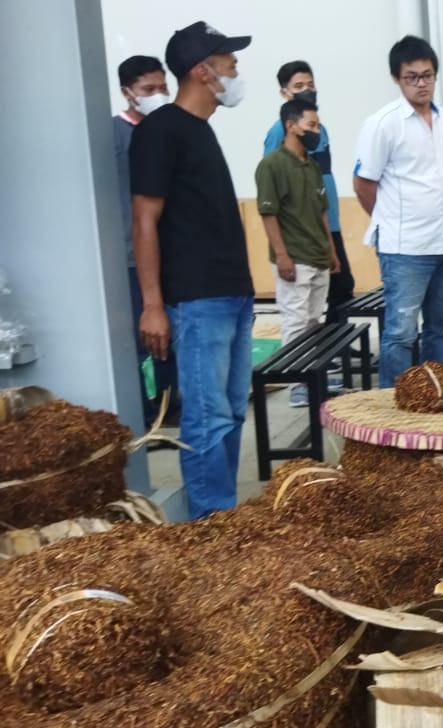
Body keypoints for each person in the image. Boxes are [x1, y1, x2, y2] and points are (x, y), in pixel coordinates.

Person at [129, 21, 253, 519]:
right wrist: (154, 304)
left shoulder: (198, 130)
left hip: (232, 294)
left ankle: (222, 517)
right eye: (230, 64)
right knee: (206, 419)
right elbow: (144, 219)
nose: (236, 71)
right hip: (196, 300)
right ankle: (211, 526)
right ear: (204, 71)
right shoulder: (161, 132)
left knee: (230, 413)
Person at [352, 36, 443, 387]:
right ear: (396, 79)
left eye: (427, 75)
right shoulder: (383, 123)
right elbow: (363, 184)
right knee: (400, 332)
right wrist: (390, 222)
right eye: (412, 77)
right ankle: (391, 406)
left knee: (442, 326)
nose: (421, 84)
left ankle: (432, 395)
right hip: (404, 248)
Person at [256, 99, 340, 408]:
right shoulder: (272, 165)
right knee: (294, 320)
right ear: (292, 126)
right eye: (312, 126)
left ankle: (313, 374)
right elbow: (269, 213)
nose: (316, 132)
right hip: (295, 258)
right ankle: (297, 384)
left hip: (318, 255)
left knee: (314, 320)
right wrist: (282, 255)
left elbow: (322, 211)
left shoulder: (311, 165)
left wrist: (331, 251)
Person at [113, 54, 178, 425]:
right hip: (131, 254)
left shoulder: (166, 130)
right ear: (127, 93)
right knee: (141, 338)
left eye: (162, 88)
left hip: (168, 252)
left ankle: (171, 405)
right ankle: (142, 409)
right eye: (148, 90)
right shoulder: (116, 135)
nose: (158, 95)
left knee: (170, 339)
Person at [263, 61, 354, 313]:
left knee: (341, 285)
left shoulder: (319, 128)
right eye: (299, 86)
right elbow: (272, 184)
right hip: (302, 228)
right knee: (306, 302)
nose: (308, 90)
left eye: (311, 84)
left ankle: (338, 346)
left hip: (328, 219)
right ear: (284, 93)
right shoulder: (278, 132)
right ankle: (327, 348)